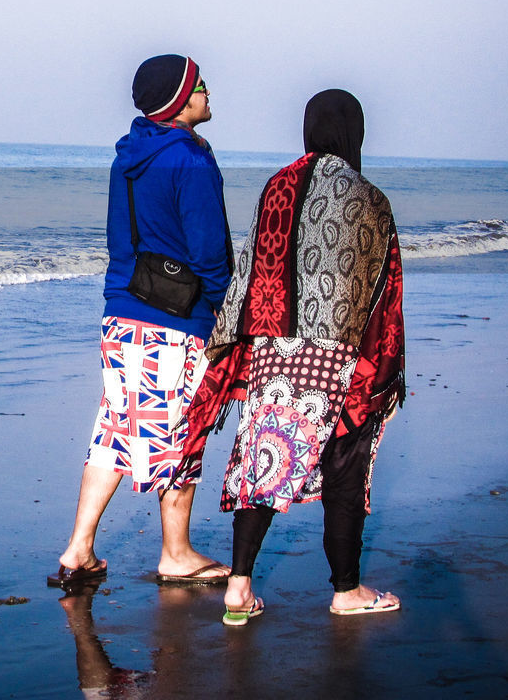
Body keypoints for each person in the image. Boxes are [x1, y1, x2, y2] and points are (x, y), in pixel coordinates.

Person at [171, 88, 406, 625]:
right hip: (337, 356)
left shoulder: (276, 186)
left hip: (271, 350)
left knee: (264, 462)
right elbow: (383, 293)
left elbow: (252, 268)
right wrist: (384, 369)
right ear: (355, 132)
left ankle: (238, 586)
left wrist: (234, 342)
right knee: (345, 468)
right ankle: (346, 591)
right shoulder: (369, 198)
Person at [49, 54, 234, 589]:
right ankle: (175, 553)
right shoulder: (191, 160)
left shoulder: (127, 156)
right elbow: (208, 250)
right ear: (178, 99)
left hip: (121, 312)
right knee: (180, 426)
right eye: (198, 84)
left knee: (115, 428)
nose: (206, 91)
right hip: (176, 321)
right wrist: (223, 310)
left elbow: (121, 240)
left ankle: (79, 547)